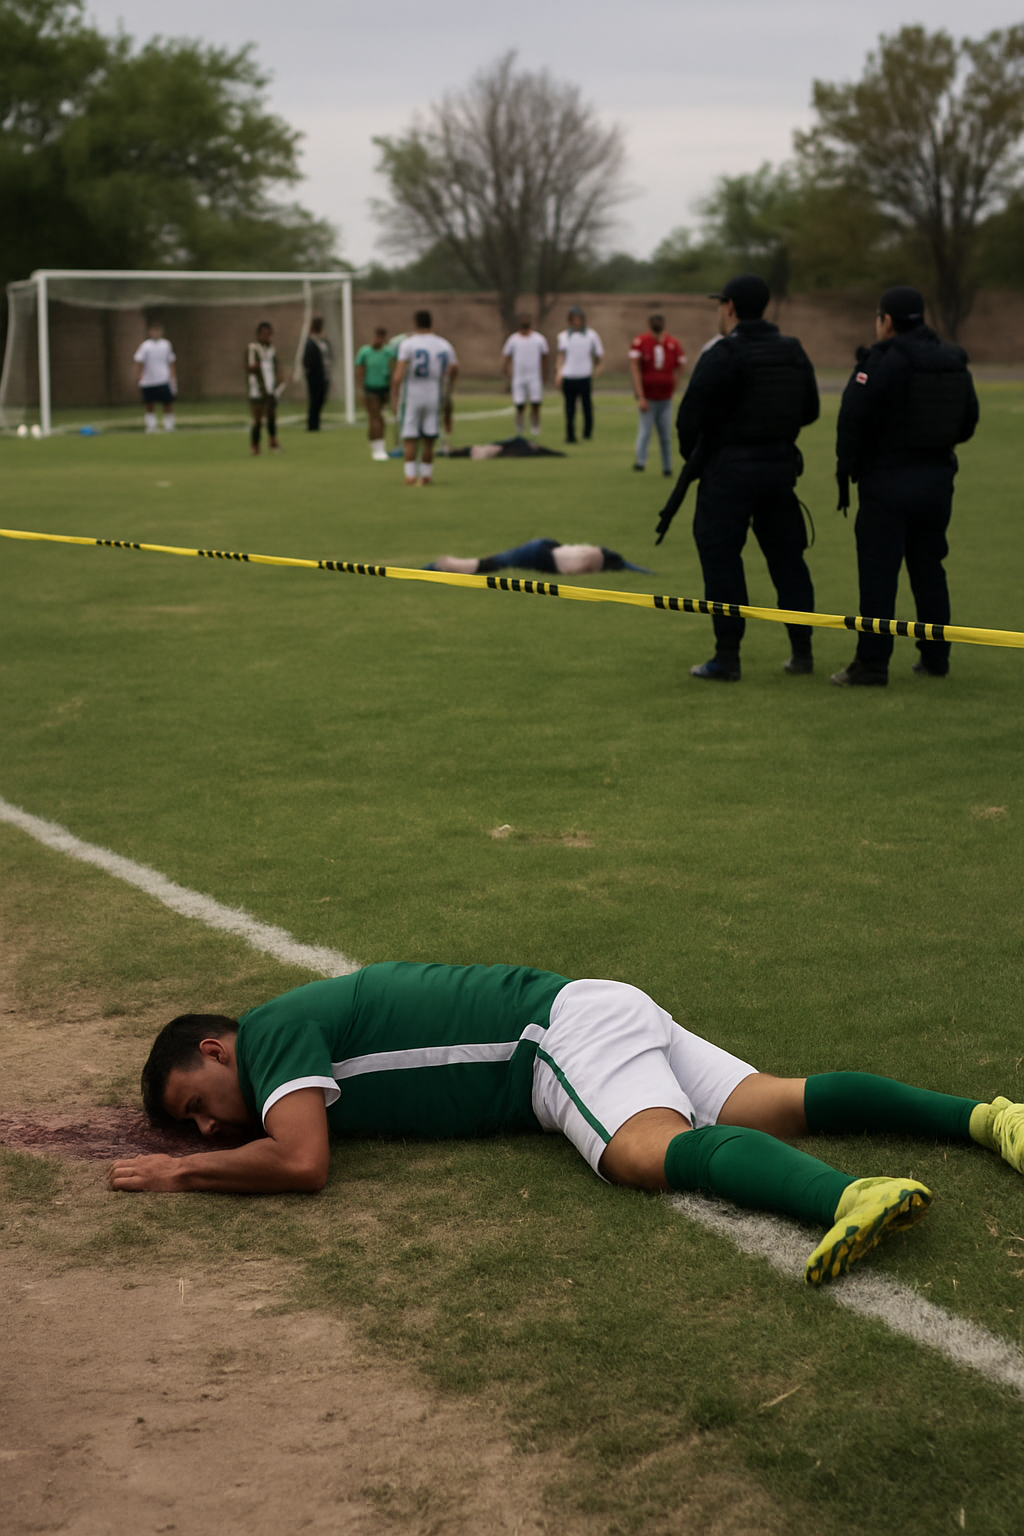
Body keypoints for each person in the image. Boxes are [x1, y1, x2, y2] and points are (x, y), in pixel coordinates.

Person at [110, 961, 1024, 1289]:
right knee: (770, 1100)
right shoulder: (286, 1031)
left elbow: (302, 1162)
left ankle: (848, 1196)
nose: (203, 1131)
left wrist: (184, 1177)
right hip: (587, 1003)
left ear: (216, 1049)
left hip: (552, 1037)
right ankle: (989, 1119)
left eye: (195, 1106)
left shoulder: (271, 1033)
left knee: (641, 1152)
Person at [830, 286, 980, 688]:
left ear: (887, 321)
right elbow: (968, 421)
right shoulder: (951, 359)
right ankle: (936, 656)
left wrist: (849, 470)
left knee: (879, 574)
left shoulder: (881, 361)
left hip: (887, 480)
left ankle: (872, 664)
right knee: (929, 566)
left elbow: (852, 418)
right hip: (937, 478)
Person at [673, 274, 819, 682]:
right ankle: (802, 651)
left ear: (730, 307)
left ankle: (727, 656)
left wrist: (702, 457)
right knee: (789, 560)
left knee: (722, 560)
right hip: (778, 469)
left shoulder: (724, 353)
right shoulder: (792, 350)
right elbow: (810, 409)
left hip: (729, 472)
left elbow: (689, 418)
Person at [390, 311, 458, 486]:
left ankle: (411, 475)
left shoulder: (408, 344)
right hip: (434, 395)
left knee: (410, 436)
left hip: (412, 395)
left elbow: (398, 376)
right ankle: (427, 475)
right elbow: (454, 367)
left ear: (415, 323)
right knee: (429, 437)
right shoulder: (443, 344)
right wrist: (448, 385)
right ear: (431, 323)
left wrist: (395, 396)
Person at [629, 315, 685, 475]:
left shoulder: (672, 343)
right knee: (645, 432)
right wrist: (640, 396)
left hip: (665, 397)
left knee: (666, 435)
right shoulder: (641, 342)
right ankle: (640, 462)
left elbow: (681, 365)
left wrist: (674, 385)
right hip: (648, 397)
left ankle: (667, 467)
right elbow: (635, 368)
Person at [425, 538, 650, 575]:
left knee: (489, 564)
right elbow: (627, 565)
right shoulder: (606, 560)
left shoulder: (597, 554)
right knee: (488, 565)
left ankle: (437, 566)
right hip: (540, 553)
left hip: (543, 549)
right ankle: (438, 566)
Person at [556, 308, 603, 443]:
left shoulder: (591, 335)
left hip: (584, 375)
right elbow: (561, 357)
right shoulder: (563, 336)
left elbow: (598, 355)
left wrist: (597, 369)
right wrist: (559, 373)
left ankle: (587, 433)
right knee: (569, 407)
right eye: (574, 319)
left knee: (586, 406)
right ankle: (570, 435)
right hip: (569, 376)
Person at [502, 315, 549, 438]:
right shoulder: (513, 340)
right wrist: (506, 371)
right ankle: (519, 427)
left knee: (535, 403)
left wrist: (545, 373)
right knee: (519, 404)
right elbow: (506, 356)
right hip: (519, 377)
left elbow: (544, 357)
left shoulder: (539, 339)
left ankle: (535, 427)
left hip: (534, 376)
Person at [246, 321, 287, 456]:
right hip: (257, 390)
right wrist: (257, 369)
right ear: (258, 334)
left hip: (270, 389)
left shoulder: (271, 349)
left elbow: (276, 367)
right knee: (257, 419)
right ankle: (255, 446)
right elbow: (250, 367)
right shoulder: (253, 348)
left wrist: (279, 381)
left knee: (271, 417)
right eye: (264, 334)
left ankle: (273, 442)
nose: (267, 337)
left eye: (269, 334)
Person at [355, 326, 394, 461]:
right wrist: (359, 389)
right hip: (370, 389)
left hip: (384, 390)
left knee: (380, 420)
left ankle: (375, 444)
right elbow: (359, 371)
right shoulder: (365, 352)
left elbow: (392, 369)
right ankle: (379, 451)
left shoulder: (388, 352)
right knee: (375, 419)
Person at [133, 321, 177, 434]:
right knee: (149, 404)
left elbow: (170, 362)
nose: (156, 333)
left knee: (167, 403)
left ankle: (169, 425)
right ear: (150, 332)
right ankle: (151, 426)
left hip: (163, 378)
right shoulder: (145, 346)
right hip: (148, 380)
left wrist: (172, 377)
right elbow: (139, 361)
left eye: (158, 331)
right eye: (154, 331)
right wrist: (139, 376)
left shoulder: (166, 344)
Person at [302, 316, 332, 433]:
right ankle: (312, 424)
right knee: (314, 399)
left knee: (321, 399)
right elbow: (307, 360)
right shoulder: (310, 341)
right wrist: (310, 371)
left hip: (324, 375)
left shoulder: (323, 341)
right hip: (314, 376)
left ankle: (317, 422)